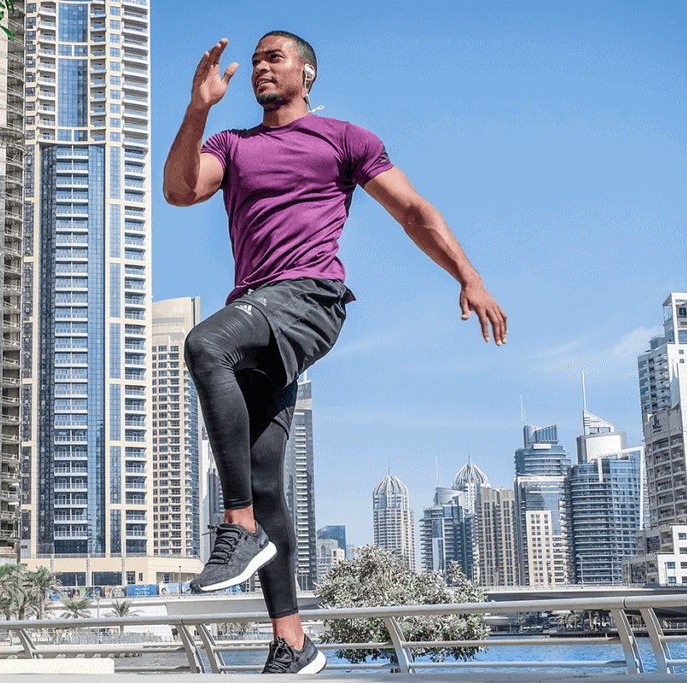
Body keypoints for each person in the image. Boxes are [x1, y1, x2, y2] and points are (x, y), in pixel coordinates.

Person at [162, 31, 507, 674]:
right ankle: (293, 643)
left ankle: (236, 528)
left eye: (276, 57)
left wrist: (469, 276)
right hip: (259, 309)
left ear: (307, 73)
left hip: (309, 299)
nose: (263, 66)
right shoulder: (232, 146)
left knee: (204, 342)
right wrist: (198, 106)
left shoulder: (344, 139)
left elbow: (412, 211)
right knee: (267, 480)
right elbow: (180, 192)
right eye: (257, 59)